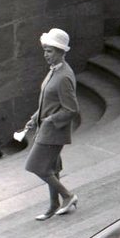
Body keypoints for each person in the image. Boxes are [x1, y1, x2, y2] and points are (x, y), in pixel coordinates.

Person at [24, 28, 79, 221]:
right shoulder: (55, 71)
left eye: (49, 51)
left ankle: (68, 196)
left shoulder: (64, 76)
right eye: (45, 50)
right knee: (51, 169)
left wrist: (49, 120)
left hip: (54, 132)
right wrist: (35, 117)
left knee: (36, 166)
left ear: (60, 51)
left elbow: (71, 109)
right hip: (46, 128)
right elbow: (48, 101)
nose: (45, 54)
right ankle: (54, 205)